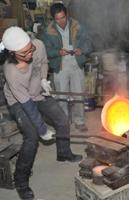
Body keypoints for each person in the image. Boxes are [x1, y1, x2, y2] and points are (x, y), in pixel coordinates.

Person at [0, 26, 83, 200]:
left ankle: (63, 153)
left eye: (31, 48)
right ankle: (21, 181)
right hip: (19, 101)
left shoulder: (37, 45)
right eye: (24, 52)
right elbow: (28, 106)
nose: (30, 53)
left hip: (38, 91)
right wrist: (42, 129)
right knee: (32, 136)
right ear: (13, 54)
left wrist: (44, 79)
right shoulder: (11, 71)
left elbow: (43, 62)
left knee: (62, 119)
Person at [40, 3, 92, 131]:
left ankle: (79, 121)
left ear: (67, 14)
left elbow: (89, 43)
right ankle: (64, 123)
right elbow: (45, 50)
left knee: (78, 95)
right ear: (53, 18)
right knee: (62, 97)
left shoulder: (77, 26)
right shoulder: (48, 31)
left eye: (63, 17)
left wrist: (82, 49)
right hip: (60, 66)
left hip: (76, 65)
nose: (61, 21)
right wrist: (58, 52)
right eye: (57, 19)